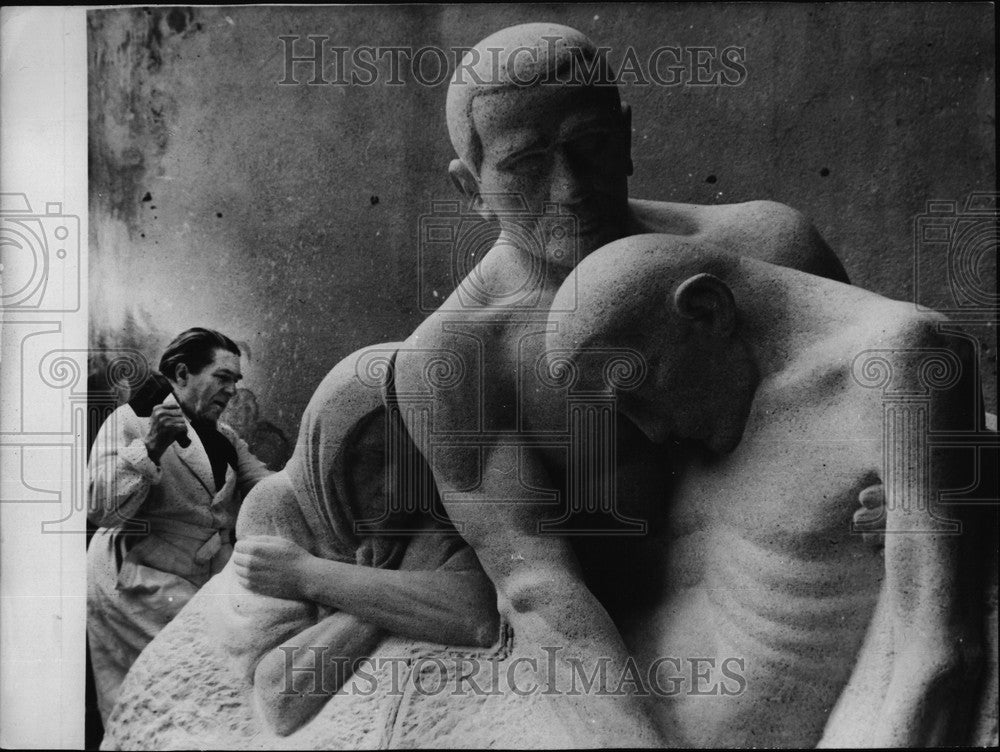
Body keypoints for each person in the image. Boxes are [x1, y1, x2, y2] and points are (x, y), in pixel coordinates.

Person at [392, 22, 867, 745]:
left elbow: (892, 397)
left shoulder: (766, 249)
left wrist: (937, 486)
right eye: (525, 165)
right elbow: (538, 589)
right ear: (472, 188)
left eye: (593, 147)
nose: (571, 188)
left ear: (629, 134)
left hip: (825, 609)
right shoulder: (457, 359)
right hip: (642, 663)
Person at [545, 235, 992, 746]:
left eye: (638, 394)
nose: (649, 432)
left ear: (708, 311)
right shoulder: (712, 384)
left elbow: (936, 658)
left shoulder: (893, 361)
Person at [216, 343, 500, 736]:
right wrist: (403, 591)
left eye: (414, 458)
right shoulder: (278, 506)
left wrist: (309, 575)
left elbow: (477, 614)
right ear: (327, 456)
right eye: (370, 459)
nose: (396, 487)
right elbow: (280, 698)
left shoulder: (432, 503)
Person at [86, 327, 271, 722]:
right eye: (223, 378)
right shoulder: (132, 422)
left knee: (207, 686)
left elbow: (268, 487)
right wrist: (150, 445)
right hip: (136, 578)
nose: (233, 390)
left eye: (236, 381)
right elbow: (98, 508)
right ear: (183, 374)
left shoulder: (224, 437)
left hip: (196, 574)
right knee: (161, 697)